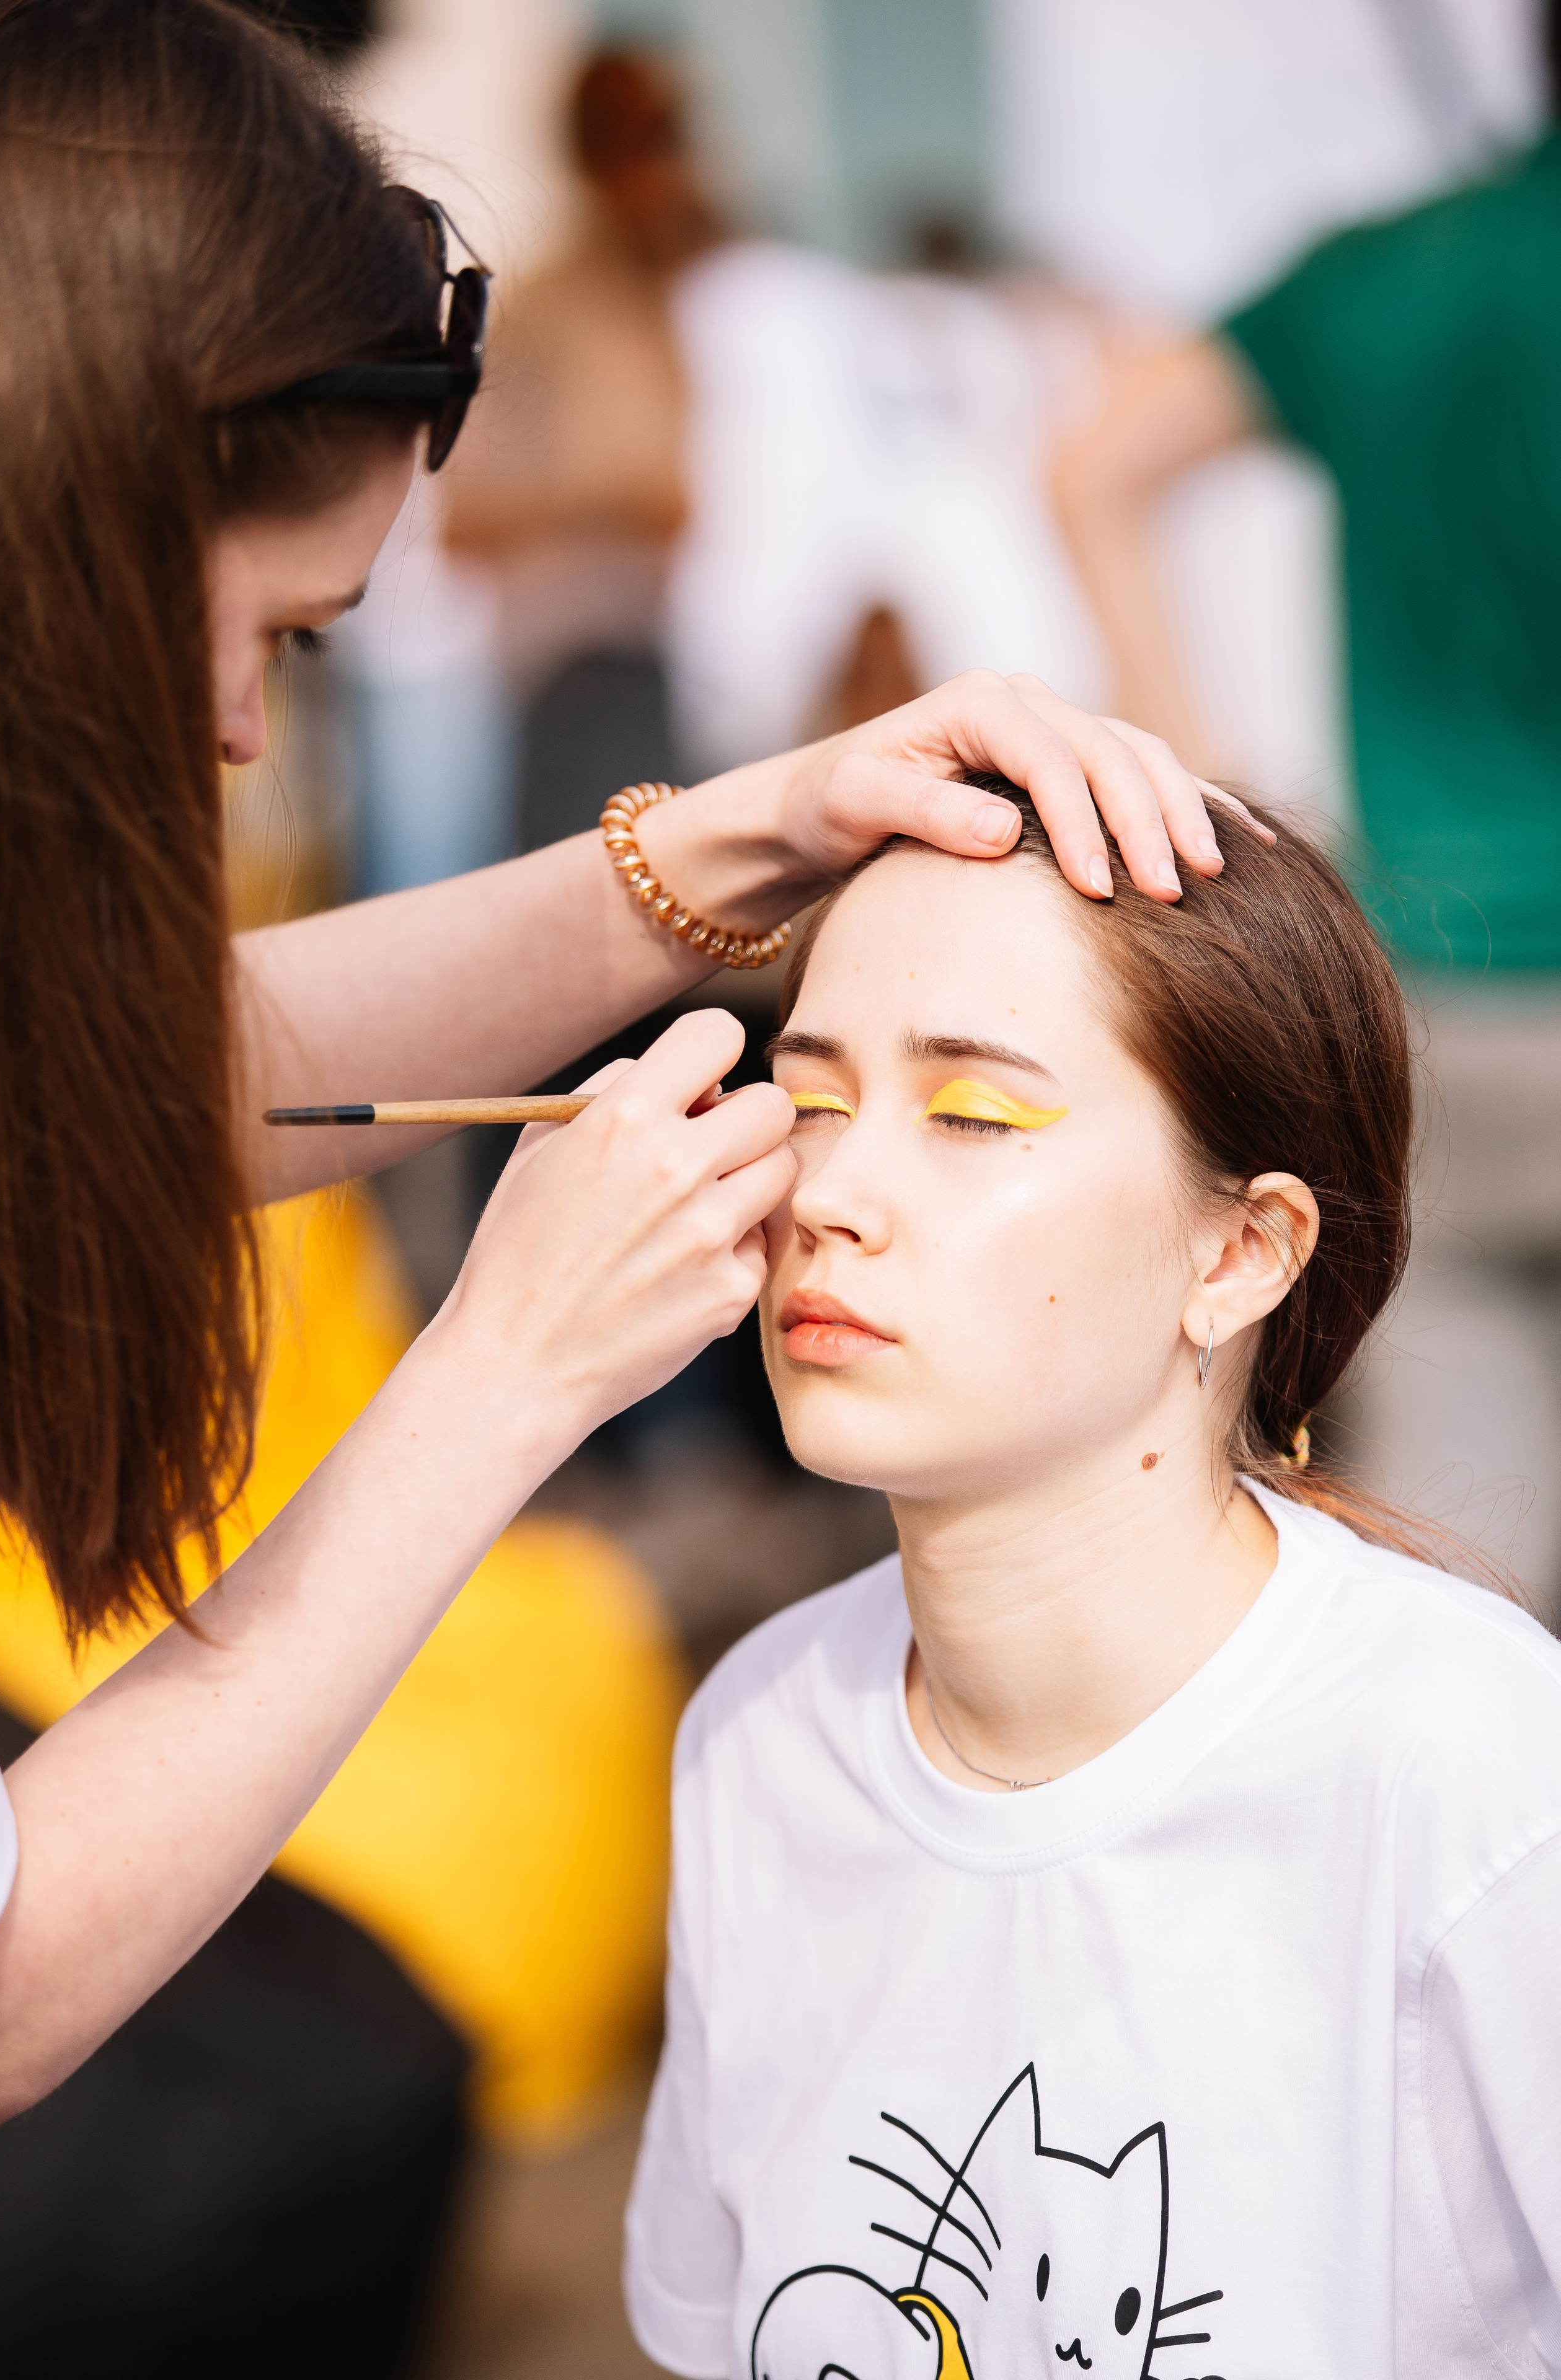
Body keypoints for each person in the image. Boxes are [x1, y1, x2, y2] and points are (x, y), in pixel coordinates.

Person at [0, 0, 1228, 2135]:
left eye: (984, 1104)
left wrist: (738, 834)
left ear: (1253, 1246)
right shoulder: (756, 1769)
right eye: (276, 631)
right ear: (67, 534)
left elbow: (88, 1082)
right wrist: (503, 1375)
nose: (248, 737)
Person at [624, 782, 1561, 2376]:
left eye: (974, 1118)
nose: (830, 1200)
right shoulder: (757, 1735)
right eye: (809, 1104)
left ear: (1240, 1253)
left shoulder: (1477, 1780)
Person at [1048, 13, 1561, 1596]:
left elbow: (1090, 467)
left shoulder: (1384, 274)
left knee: (1465, 1571)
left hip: (1434, 998)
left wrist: (1193, 783)